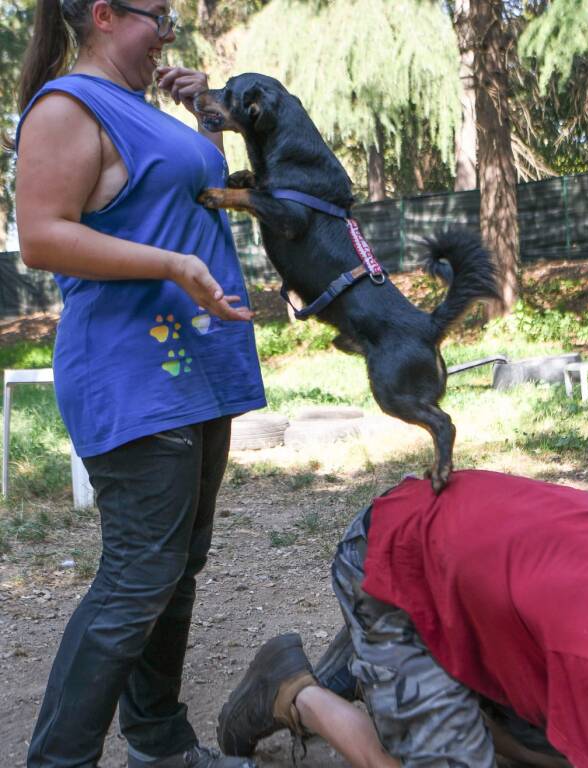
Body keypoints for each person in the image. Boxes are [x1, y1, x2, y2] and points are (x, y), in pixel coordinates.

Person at [13, 0, 266, 766]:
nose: (169, 33)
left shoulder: (137, 105)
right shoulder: (67, 106)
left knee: (176, 567)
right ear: (103, 15)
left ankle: (158, 744)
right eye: (159, 16)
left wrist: (206, 120)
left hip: (200, 364)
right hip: (132, 371)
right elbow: (40, 234)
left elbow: (177, 202)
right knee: (138, 577)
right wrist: (170, 266)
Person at [216, 470, 588, 768]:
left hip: (469, 577)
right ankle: (293, 690)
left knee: (564, 748)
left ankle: (400, 670)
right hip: (389, 556)